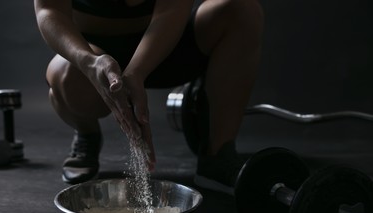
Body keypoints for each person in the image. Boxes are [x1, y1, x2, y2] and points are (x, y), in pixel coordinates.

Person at [34, 0, 264, 194]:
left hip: (164, 42)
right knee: (65, 76)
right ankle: (87, 134)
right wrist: (87, 61)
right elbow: (49, 11)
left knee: (240, 10)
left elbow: (172, 9)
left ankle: (218, 155)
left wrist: (137, 72)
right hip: (94, 51)